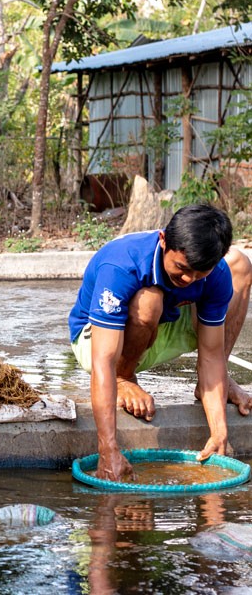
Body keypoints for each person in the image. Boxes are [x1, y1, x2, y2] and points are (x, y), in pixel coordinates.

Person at [68, 203, 252, 482]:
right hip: (95, 339)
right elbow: (102, 360)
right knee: (149, 301)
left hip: (163, 326)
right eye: (181, 268)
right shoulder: (121, 263)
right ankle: (125, 376)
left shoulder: (214, 273)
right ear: (164, 240)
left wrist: (219, 433)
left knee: (240, 265)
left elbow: (212, 353)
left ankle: (210, 386)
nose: (189, 279)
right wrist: (108, 450)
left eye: (199, 273)